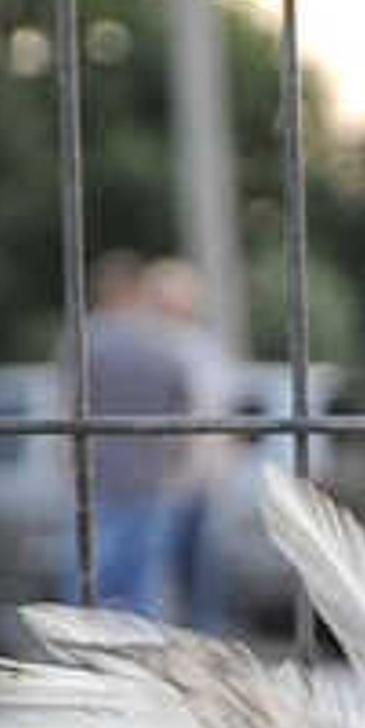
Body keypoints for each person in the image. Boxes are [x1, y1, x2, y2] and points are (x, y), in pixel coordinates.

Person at [74, 251, 200, 624]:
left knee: (89, 577)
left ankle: (84, 652)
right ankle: (142, 659)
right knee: (145, 584)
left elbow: (68, 406)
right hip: (152, 476)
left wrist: (67, 466)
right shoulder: (162, 343)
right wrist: (178, 465)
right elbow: (184, 409)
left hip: (97, 477)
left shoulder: (86, 339)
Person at [140, 253, 239, 634]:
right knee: (157, 575)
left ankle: (203, 649)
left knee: (204, 577)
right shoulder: (146, 346)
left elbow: (220, 411)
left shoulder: (203, 347)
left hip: (201, 478)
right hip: (158, 480)